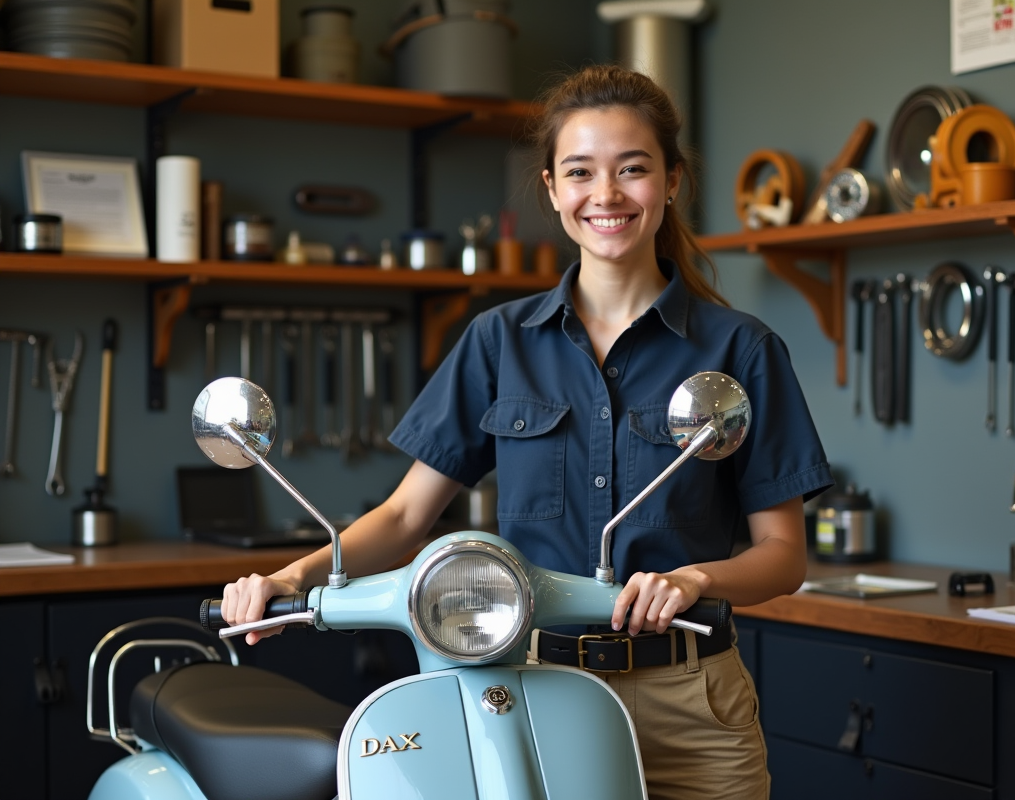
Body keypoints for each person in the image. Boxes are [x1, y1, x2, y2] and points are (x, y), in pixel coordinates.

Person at [222, 63, 832, 800]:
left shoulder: (743, 350)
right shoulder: (497, 342)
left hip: (690, 706)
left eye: (632, 170)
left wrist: (694, 578)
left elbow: (783, 556)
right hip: (535, 695)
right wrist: (295, 577)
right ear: (551, 188)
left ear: (671, 181)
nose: (605, 195)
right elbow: (406, 516)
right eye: (580, 172)